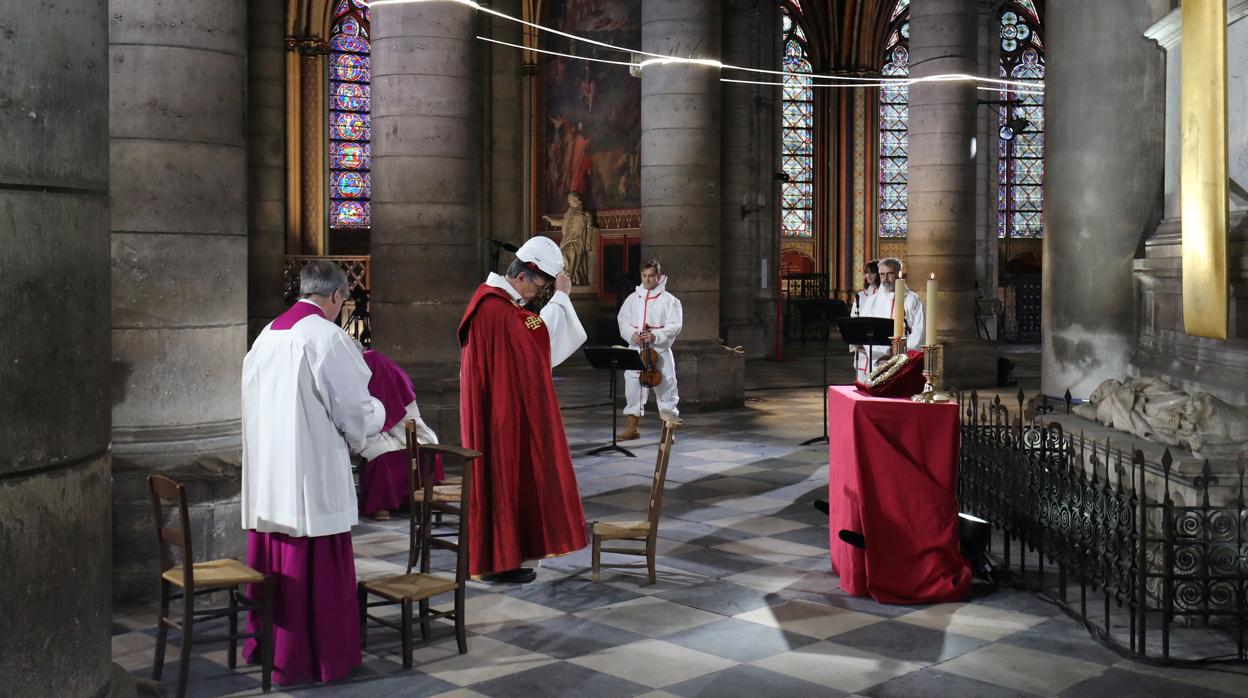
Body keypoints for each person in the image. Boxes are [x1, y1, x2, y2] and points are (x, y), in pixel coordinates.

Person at [240, 261, 385, 685]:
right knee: (316, 569)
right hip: (309, 476)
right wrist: (381, 413)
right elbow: (355, 413)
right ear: (338, 296)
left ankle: (270, 646)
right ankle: (317, 657)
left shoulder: (267, 335)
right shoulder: (326, 337)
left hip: (270, 475)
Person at [458, 236, 589, 584]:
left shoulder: (495, 305)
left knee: (508, 480)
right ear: (521, 276)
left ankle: (503, 555)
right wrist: (561, 298)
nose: (538, 293)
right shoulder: (497, 309)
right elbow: (539, 341)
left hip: (498, 409)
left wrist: (555, 296)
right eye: (539, 286)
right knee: (504, 478)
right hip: (500, 417)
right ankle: (499, 561)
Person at [356, 346, 442, 521]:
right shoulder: (361, 366)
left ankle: (415, 500)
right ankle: (383, 505)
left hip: (399, 422)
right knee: (380, 452)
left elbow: (402, 403)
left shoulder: (377, 364)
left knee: (424, 444)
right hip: (372, 423)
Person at [616, 260, 683, 440]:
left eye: (651, 276)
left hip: (659, 352)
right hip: (636, 350)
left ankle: (669, 432)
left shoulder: (670, 301)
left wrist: (656, 336)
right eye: (644, 276)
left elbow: (675, 325)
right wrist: (632, 335)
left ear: (658, 276)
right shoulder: (632, 299)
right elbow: (623, 321)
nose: (647, 280)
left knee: (667, 388)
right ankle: (632, 428)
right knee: (632, 387)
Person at [851, 257, 925, 383]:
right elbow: (866, 330)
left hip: (903, 362)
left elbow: (920, 331)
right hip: (876, 363)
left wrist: (897, 357)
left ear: (900, 274)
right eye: (882, 274)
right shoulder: (872, 300)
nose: (885, 278)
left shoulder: (912, 300)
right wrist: (878, 356)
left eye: (890, 274)